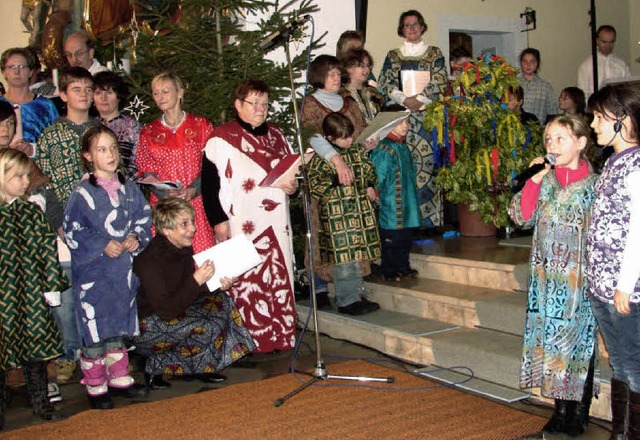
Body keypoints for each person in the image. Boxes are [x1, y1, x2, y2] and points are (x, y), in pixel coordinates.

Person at [509, 114, 599, 437]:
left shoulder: (595, 184)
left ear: (581, 143)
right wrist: (532, 181)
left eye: (560, 139)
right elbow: (521, 216)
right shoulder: (544, 180)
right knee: (552, 342)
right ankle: (560, 411)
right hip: (546, 280)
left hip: (580, 281)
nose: (552, 145)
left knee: (578, 345)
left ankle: (579, 412)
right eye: (548, 139)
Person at [202, 79, 297, 353]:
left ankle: (281, 334)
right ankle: (248, 341)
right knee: (244, 279)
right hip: (240, 221)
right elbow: (209, 185)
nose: (260, 109)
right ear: (238, 105)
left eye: (264, 103)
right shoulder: (221, 138)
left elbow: (289, 174)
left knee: (279, 276)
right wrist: (218, 221)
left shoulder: (278, 137)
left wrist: (292, 184)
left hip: (277, 223)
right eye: (253, 103)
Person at [63, 125, 151, 409]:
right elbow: (72, 230)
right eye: (102, 149)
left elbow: (143, 217)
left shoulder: (129, 188)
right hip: (94, 275)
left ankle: (119, 375)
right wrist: (103, 244)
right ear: (88, 156)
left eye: (113, 147)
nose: (110, 154)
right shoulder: (81, 194)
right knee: (95, 329)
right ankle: (95, 383)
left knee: (117, 323)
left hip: (121, 273)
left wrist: (136, 237)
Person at [133, 197, 256, 387]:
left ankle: (203, 365)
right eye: (184, 224)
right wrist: (197, 279)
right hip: (147, 325)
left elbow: (189, 292)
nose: (193, 228)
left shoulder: (181, 250)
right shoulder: (150, 260)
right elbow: (166, 310)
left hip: (173, 312)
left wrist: (215, 284)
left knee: (221, 301)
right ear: (166, 229)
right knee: (205, 321)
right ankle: (153, 365)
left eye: (192, 221)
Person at [586, 84, 640, 439]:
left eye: (599, 117)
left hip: (625, 289)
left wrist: (624, 284)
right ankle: (620, 433)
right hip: (602, 284)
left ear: (623, 120)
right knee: (619, 364)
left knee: (633, 366)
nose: (592, 125)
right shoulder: (613, 162)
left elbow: (637, 229)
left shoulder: (636, 166)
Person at [0, 148, 67, 429]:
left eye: (27, 176)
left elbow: (47, 251)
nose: (26, 182)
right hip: (3, 297)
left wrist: (52, 286)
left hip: (30, 295)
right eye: (18, 176)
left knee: (35, 352)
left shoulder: (32, 213)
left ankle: (42, 403)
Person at [378, 9, 447, 229]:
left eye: (416, 24)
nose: (412, 28)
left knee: (428, 168)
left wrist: (420, 99)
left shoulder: (434, 53)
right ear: (402, 29)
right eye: (407, 25)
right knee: (404, 169)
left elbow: (440, 80)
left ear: (422, 26)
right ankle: (407, 223)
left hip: (427, 120)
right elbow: (385, 83)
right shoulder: (393, 56)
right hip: (402, 120)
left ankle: (430, 223)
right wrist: (404, 99)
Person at [307, 112, 381, 315]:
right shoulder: (322, 159)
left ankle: (357, 295)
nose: (349, 140)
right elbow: (314, 185)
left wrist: (370, 185)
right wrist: (334, 181)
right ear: (330, 138)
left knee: (356, 259)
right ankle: (346, 301)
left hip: (359, 215)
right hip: (337, 219)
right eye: (344, 138)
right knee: (344, 263)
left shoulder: (356, 151)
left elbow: (369, 171)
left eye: (350, 136)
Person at [136, 72, 214, 254]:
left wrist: (194, 189)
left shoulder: (200, 125)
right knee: (169, 261)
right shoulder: (148, 131)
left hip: (197, 204)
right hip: (166, 206)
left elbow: (211, 166)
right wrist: (165, 192)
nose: (160, 97)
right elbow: (145, 171)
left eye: (165, 91)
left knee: (202, 257)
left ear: (179, 93)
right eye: (156, 93)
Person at [369, 110, 421, 281]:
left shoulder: (402, 146)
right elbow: (378, 174)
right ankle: (389, 268)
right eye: (400, 122)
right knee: (392, 237)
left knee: (405, 236)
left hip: (408, 200)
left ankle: (403, 266)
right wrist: (375, 191)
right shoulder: (385, 148)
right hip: (391, 201)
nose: (405, 126)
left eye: (407, 122)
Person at [0, 47, 59, 156]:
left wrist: (33, 149)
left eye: (22, 67)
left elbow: (57, 144)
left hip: (38, 167)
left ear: (31, 72)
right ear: (4, 72)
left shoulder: (46, 106)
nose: (16, 72)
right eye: (11, 67)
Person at [93, 71, 141, 181]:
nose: (103, 98)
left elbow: (138, 167)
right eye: (98, 93)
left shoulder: (134, 128)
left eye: (109, 93)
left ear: (119, 96)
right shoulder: (89, 127)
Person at [578, 25, 631, 98]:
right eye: (604, 42)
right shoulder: (587, 66)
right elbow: (583, 93)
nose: (608, 46)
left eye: (611, 42)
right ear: (597, 41)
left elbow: (628, 89)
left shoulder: (621, 64)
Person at [339, 48, 383, 124]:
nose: (367, 70)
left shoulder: (374, 93)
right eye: (362, 66)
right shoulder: (341, 95)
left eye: (368, 66)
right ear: (348, 68)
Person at [517, 48, 558, 124]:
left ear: (537, 63)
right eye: (525, 61)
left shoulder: (545, 87)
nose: (528, 65)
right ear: (521, 63)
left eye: (532, 61)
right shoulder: (515, 84)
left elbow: (552, 113)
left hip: (538, 129)